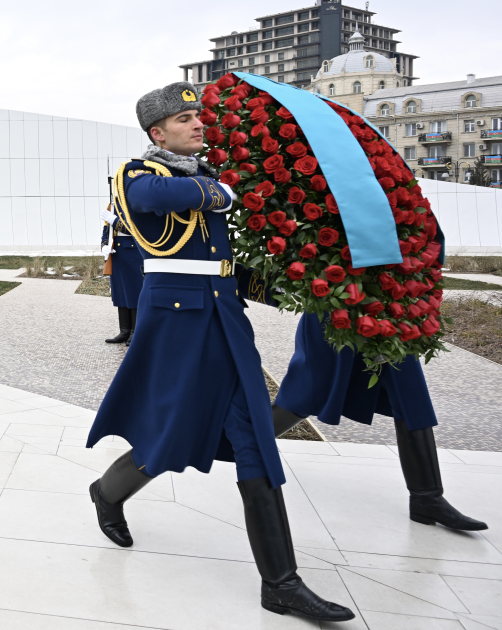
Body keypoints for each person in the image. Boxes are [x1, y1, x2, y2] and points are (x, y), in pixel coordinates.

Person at [85, 82, 355, 623]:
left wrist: (298, 288)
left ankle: (280, 583)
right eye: (184, 119)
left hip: (226, 321)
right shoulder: (141, 174)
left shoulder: (202, 176)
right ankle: (107, 492)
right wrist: (225, 189)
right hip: (176, 323)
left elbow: (219, 261)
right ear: (158, 132)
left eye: (198, 117)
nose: (198, 124)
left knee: (255, 438)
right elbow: (156, 200)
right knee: (169, 431)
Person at [270, 311, 488, 531]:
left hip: (391, 310)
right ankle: (246, 445)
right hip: (335, 308)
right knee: (306, 394)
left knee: (411, 393)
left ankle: (427, 498)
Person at [100, 205, 144, 346]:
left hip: (133, 252)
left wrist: (115, 221)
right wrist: (104, 245)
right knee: (121, 292)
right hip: (117, 252)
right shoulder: (113, 205)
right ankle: (124, 331)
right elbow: (106, 229)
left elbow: (137, 228)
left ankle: (135, 332)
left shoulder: (135, 203)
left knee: (134, 292)